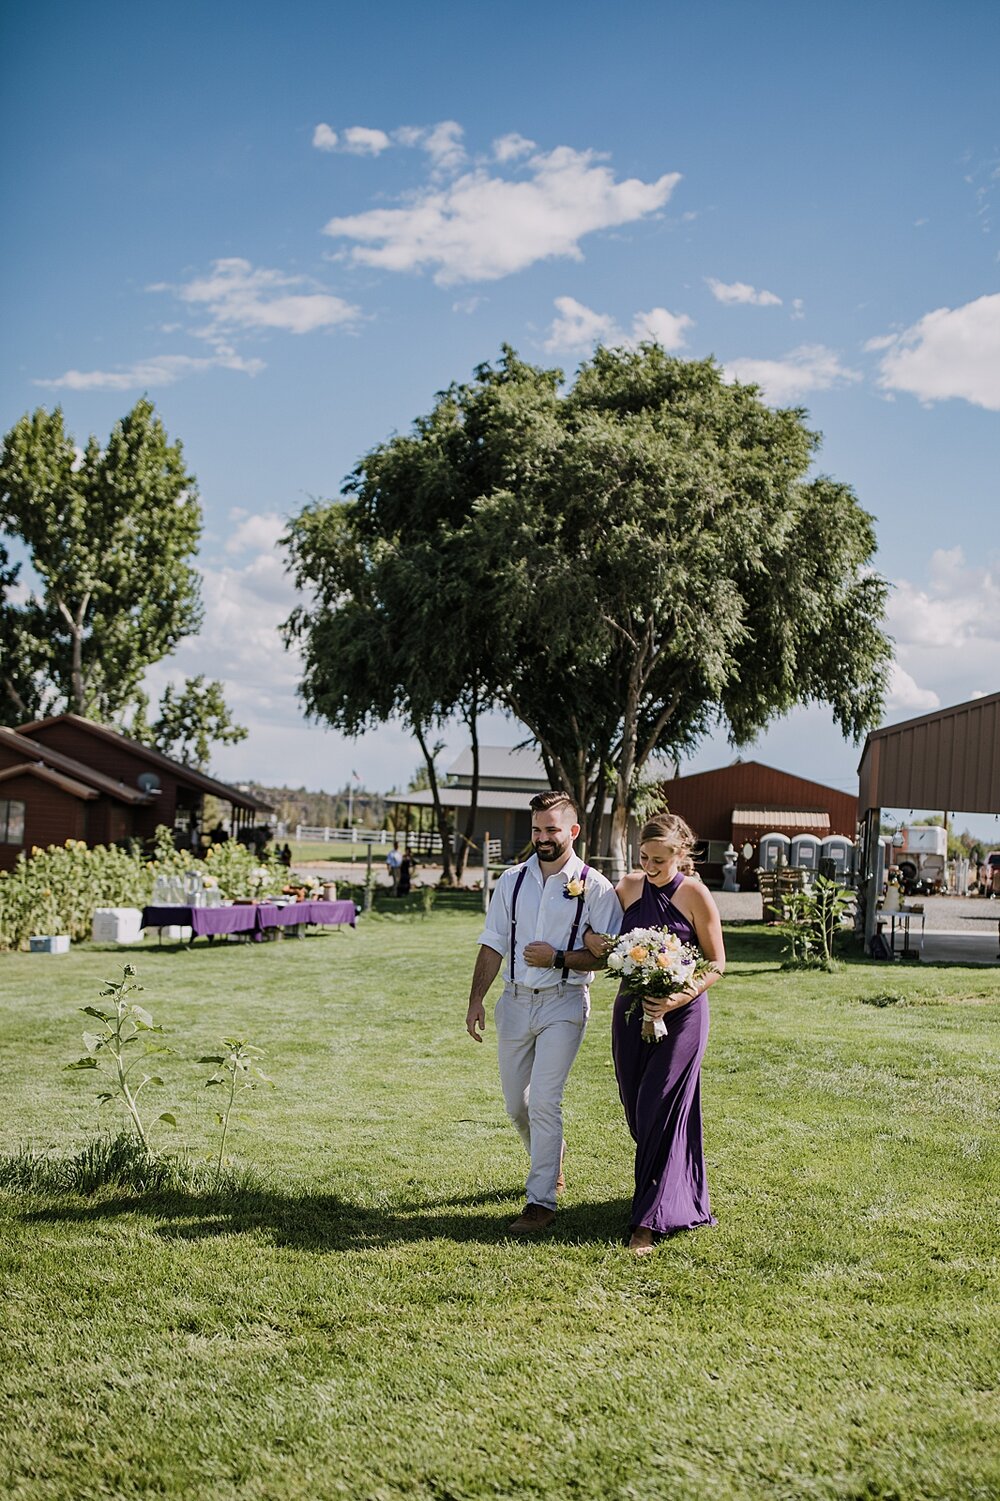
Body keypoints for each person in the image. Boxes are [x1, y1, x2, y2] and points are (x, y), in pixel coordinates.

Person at [465, 791, 623, 1234]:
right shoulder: (511, 880)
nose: (543, 838)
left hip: (564, 1002)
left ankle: (541, 1202)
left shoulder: (594, 886)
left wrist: (558, 958)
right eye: (537, 829)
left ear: (573, 831)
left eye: (552, 829)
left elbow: (608, 955)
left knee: (547, 1101)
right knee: (518, 1105)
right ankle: (551, 1155)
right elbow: (493, 941)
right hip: (513, 1003)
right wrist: (477, 998)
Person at [588, 810, 725, 1255]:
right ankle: (678, 1193)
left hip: (682, 1016)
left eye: (659, 860)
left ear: (680, 855)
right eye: (643, 857)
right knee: (636, 1108)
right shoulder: (626, 888)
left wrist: (675, 999)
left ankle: (646, 1223)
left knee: (657, 1108)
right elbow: (601, 936)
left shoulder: (695, 895)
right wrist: (603, 948)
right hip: (630, 1012)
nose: (649, 867)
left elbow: (717, 963)